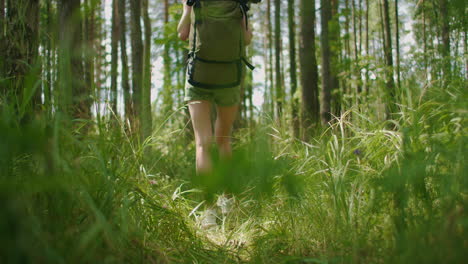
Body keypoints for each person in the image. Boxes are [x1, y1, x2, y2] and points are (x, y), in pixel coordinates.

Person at [177, 0, 253, 229]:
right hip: (230, 77)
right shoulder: (238, 3)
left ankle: (209, 212)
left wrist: (186, 8)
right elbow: (247, 39)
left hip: (199, 75)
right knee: (224, 140)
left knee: (203, 144)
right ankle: (228, 202)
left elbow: (182, 34)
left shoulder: (195, 1)